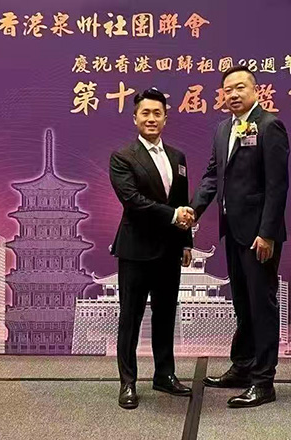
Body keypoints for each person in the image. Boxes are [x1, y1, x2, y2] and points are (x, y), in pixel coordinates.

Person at [191, 66, 290, 408]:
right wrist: (194, 210)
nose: (233, 94)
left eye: (240, 87)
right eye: (228, 89)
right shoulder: (223, 129)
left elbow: (277, 186)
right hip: (232, 232)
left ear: (255, 90)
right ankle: (243, 366)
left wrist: (267, 233)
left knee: (262, 305)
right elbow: (212, 175)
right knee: (243, 304)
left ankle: (263, 382)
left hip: (259, 236)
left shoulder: (270, 126)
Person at [109, 87, 196, 409]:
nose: (151, 118)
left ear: (165, 118)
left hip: (169, 250)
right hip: (135, 251)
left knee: (165, 315)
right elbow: (133, 201)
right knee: (130, 318)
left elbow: (182, 201)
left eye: (157, 113)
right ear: (135, 118)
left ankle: (164, 375)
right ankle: (128, 382)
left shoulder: (178, 157)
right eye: (145, 113)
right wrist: (173, 216)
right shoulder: (122, 157)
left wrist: (186, 242)